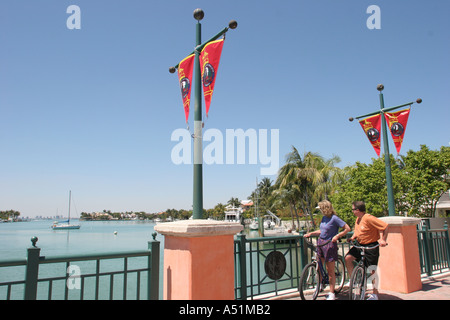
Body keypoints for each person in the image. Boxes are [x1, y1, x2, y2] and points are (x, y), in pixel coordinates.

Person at [304, 200, 351, 300]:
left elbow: (347, 228)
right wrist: (311, 233)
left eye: (321, 208)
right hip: (321, 243)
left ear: (325, 208)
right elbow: (322, 231)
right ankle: (320, 284)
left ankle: (332, 293)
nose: (320, 210)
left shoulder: (335, 219)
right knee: (319, 266)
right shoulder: (324, 218)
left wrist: (337, 236)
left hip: (330, 245)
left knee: (330, 270)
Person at [345, 201, 388, 300]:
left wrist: (383, 240)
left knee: (372, 270)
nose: (352, 211)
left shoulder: (368, 218)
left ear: (358, 210)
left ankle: (375, 294)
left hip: (371, 246)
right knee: (348, 258)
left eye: (353, 209)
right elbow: (358, 231)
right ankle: (354, 280)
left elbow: (385, 226)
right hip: (360, 244)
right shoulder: (358, 219)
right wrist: (352, 237)